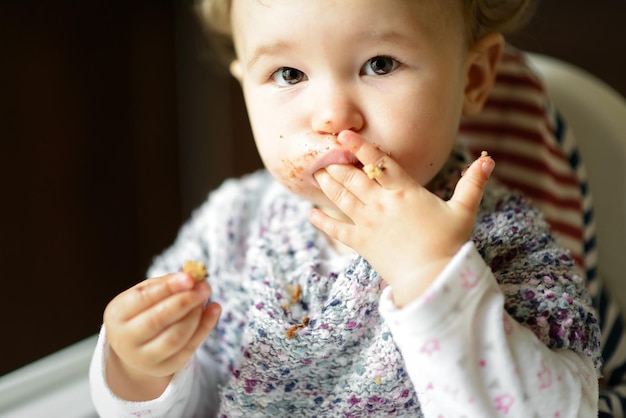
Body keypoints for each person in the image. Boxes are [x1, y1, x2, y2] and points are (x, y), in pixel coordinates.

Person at [89, 0, 602, 416]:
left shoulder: (503, 239)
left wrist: (433, 275)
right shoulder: (232, 229)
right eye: (288, 74)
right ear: (245, 84)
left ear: (472, 79)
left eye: (379, 65)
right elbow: (200, 401)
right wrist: (139, 373)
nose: (332, 115)